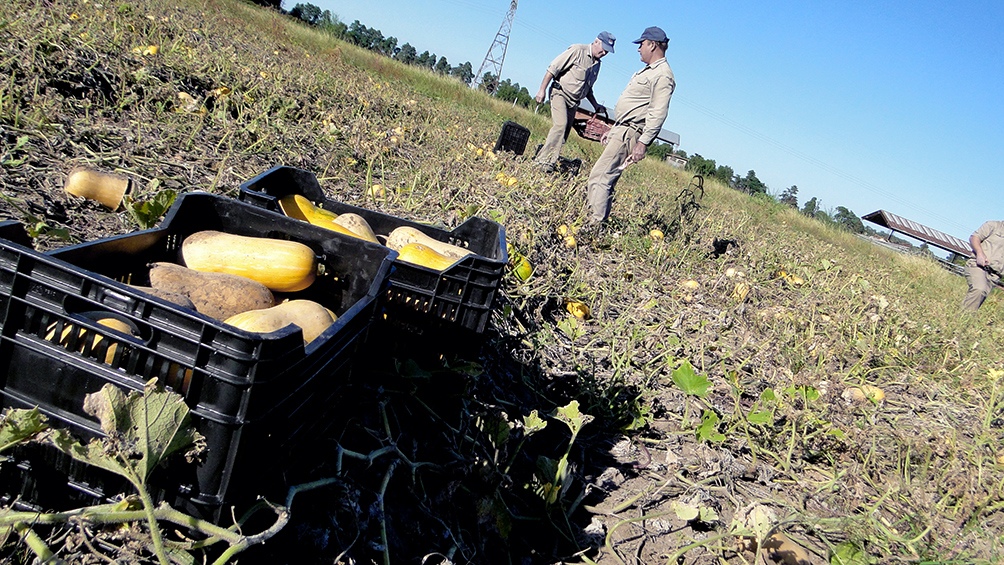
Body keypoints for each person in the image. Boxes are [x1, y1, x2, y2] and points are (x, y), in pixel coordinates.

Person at [583, 26, 675, 226]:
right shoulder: (650, 71)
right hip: (623, 128)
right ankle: (597, 222)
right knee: (605, 177)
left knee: (600, 177)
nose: (638, 48)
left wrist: (642, 142)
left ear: (652, 45)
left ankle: (593, 225)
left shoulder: (663, 75)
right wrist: (614, 128)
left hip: (631, 131)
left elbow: (658, 112)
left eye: (641, 44)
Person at [533, 32, 615, 172]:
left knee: (563, 134)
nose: (604, 52)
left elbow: (588, 88)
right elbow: (553, 68)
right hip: (560, 93)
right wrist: (541, 90)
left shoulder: (597, 65)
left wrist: (595, 105)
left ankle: (545, 154)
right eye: (603, 48)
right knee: (560, 125)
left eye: (607, 51)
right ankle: (543, 164)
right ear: (596, 41)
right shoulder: (577, 50)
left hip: (574, 102)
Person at [962, 220, 1004, 311]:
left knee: (978, 298)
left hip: (995, 276)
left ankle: (962, 320)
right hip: (978, 266)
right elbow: (974, 237)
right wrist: (980, 253)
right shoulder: (994, 225)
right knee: (979, 289)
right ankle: (962, 320)